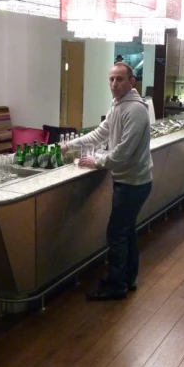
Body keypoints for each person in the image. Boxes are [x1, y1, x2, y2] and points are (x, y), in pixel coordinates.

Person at [61, 62, 153, 301]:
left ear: (132, 82)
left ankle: (116, 286)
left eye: (119, 79)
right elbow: (100, 133)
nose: (114, 84)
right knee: (127, 232)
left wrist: (99, 162)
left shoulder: (134, 110)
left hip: (133, 184)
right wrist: (69, 145)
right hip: (130, 181)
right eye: (111, 79)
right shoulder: (118, 106)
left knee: (117, 234)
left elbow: (124, 151)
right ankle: (127, 279)